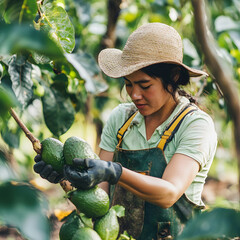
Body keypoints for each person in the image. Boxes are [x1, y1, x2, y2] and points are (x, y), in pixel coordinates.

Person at [33, 23, 217, 239]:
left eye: (145, 85)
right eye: (128, 84)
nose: (134, 94)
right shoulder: (121, 119)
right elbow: (99, 197)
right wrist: (71, 177)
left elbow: (169, 193)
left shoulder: (195, 125)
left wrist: (114, 171)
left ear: (174, 77)